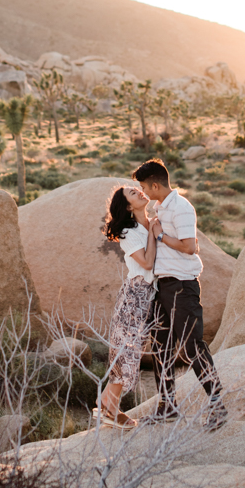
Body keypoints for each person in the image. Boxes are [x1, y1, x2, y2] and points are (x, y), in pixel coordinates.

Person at [133, 159, 228, 431]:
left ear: (155, 184)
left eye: (144, 187)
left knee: (191, 345)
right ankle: (168, 406)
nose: (144, 192)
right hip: (163, 287)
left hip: (183, 285)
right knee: (161, 347)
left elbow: (189, 248)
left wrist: (161, 236)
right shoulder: (161, 208)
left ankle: (217, 404)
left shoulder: (182, 208)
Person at [97, 183, 158, 431]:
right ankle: (109, 410)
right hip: (135, 296)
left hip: (150, 295)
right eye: (133, 193)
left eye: (137, 189)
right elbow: (144, 263)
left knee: (133, 352)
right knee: (126, 353)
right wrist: (153, 234)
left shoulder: (153, 221)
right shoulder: (128, 231)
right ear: (128, 206)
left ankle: (106, 405)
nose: (140, 192)